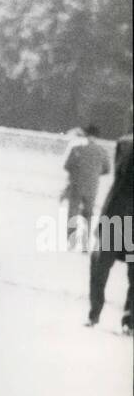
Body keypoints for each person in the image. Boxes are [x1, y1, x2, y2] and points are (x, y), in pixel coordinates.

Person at [87, 134, 133, 332]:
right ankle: (125, 320)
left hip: (117, 212)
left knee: (100, 266)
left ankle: (97, 315)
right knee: (100, 265)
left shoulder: (124, 143)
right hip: (118, 212)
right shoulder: (125, 143)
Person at [62, 125, 110, 253]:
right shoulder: (102, 151)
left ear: (87, 135)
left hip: (76, 185)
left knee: (73, 211)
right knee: (88, 214)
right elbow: (107, 170)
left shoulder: (77, 149)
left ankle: (71, 241)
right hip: (92, 187)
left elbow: (67, 166)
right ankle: (85, 244)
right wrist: (94, 174)